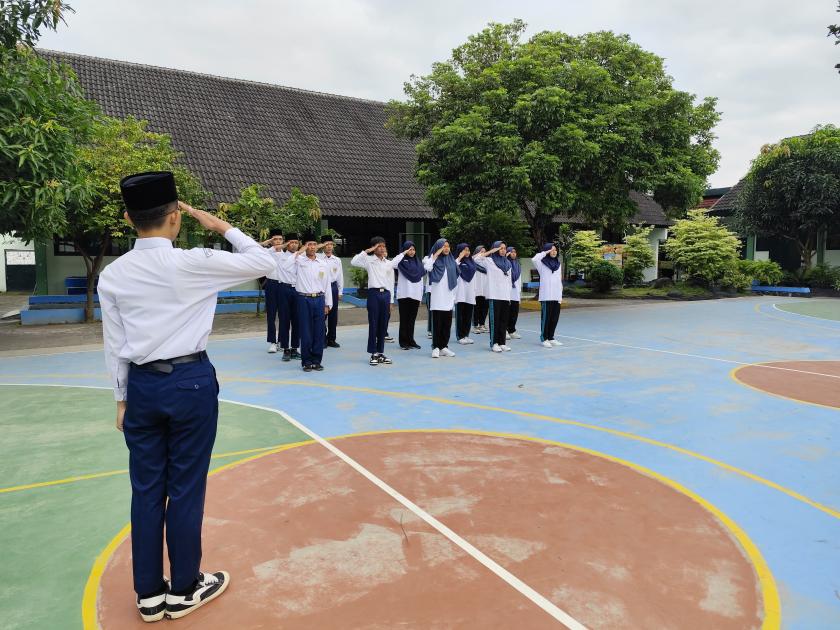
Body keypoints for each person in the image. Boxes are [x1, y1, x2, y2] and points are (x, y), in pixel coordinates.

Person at [98, 171, 276, 622]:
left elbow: (114, 343)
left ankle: (149, 595)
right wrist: (221, 227)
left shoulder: (113, 274)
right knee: (185, 488)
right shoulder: (193, 261)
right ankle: (185, 587)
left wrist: (121, 400)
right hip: (189, 382)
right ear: (176, 218)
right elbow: (265, 262)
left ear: (127, 218)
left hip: (140, 386)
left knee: (145, 492)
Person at [351, 237, 406, 366]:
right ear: (374, 248)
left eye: (383, 246)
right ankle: (373, 353)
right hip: (374, 294)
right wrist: (368, 251)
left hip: (385, 295)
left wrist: (391, 300)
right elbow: (354, 261)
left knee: (383, 325)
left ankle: (380, 352)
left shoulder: (388, 263)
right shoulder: (369, 261)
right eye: (379, 246)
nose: (382, 248)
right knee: (374, 323)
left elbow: (391, 283)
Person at [286, 234, 332, 371]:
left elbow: (327, 284)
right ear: (304, 246)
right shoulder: (299, 260)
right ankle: (306, 361)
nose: (311, 247)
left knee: (319, 332)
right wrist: (299, 251)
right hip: (303, 299)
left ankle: (317, 360)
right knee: (305, 331)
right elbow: (284, 266)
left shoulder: (323, 263)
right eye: (308, 244)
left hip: (319, 299)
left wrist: (327, 304)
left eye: (314, 244)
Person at [423, 238, 463, 358]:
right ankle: (435, 347)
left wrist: (454, 297)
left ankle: (444, 347)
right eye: (443, 246)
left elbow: (456, 279)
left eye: (447, 246)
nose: (446, 248)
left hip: (448, 298)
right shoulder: (432, 260)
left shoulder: (451, 261)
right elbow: (427, 268)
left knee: (447, 324)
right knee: (437, 324)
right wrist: (435, 255)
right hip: (437, 298)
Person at [474, 241, 512, 352]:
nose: (503, 250)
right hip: (494, 295)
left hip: (505, 296)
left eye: (504, 248)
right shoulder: (489, 261)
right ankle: (494, 343)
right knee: (494, 321)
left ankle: (502, 342)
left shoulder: (508, 264)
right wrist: (491, 252)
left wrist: (509, 296)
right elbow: (476, 259)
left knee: (503, 321)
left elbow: (509, 282)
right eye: (500, 248)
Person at [532, 242, 564, 348]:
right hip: (546, 296)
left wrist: (560, 297)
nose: (554, 252)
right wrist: (545, 252)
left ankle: (551, 337)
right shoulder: (541, 263)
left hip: (556, 296)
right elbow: (534, 259)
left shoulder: (558, 264)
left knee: (554, 318)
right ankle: (544, 338)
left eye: (555, 250)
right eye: (551, 250)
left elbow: (559, 281)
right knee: (546, 318)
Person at [276, 232, 301, 362]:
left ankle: (295, 348)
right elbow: (269, 250)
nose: (294, 245)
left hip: (297, 290)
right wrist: (282, 245)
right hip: (284, 289)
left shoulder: (301, 257)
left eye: (296, 242)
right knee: (284, 320)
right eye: (291, 242)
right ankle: (285, 349)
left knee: (297, 320)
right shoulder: (280, 256)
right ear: (287, 244)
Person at [395, 241, 424, 350]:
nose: (411, 252)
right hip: (404, 295)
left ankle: (411, 340)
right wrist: (403, 253)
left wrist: (420, 297)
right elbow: (393, 264)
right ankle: (403, 342)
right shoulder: (400, 262)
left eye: (413, 249)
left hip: (415, 295)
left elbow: (421, 280)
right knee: (404, 319)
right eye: (409, 249)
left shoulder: (418, 262)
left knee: (412, 320)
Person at [259, 230, 284, 353]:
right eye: (275, 239)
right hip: (271, 285)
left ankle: (281, 341)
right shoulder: (266, 252)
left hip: (284, 286)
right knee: (271, 315)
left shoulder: (287, 254)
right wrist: (266, 242)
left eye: (280, 239)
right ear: (271, 241)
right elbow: (253, 248)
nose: (278, 241)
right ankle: (273, 342)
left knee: (284, 315)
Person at [317, 234, 343, 348]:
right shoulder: (317, 257)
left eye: (331, 244)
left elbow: (340, 276)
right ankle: (322, 339)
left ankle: (331, 339)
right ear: (322, 246)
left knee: (333, 315)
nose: (329, 247)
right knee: (321, 315)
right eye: (326, 244)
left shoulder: (337, 260)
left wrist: (340, 291)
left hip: (333, 288)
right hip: (321, 288)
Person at [454, 243, 476, 345]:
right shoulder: (456, 262)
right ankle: (460, 336)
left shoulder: (472, 262)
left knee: (468, 315)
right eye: (464, 250)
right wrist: (460, 257)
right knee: (460, 316)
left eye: (468, 250)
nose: (467, 252)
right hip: (460, 293)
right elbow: (454, 267)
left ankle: (466, 335)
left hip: (470, 293)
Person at [472, 245, 489, 333]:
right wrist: (479, 255)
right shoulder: (473, 262)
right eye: (481, 251)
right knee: (477, 308)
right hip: (477, 290)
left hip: (486, 289)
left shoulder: (488, 262)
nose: (483, 253)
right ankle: (475, 325)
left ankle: (482, 324)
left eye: (484, 251)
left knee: (485, 308)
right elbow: (474, 258)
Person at [507, 247, 522, 340]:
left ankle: (512, 330)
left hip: (515, 292)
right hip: (507, 292)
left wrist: (519, 293)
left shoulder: (518, 264)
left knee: (514, 313)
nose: (513, 254)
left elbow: (519, 280)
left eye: (514, 252)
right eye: (511, 252)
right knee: (506, 313)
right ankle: (504, 330)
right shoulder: (505, 263)